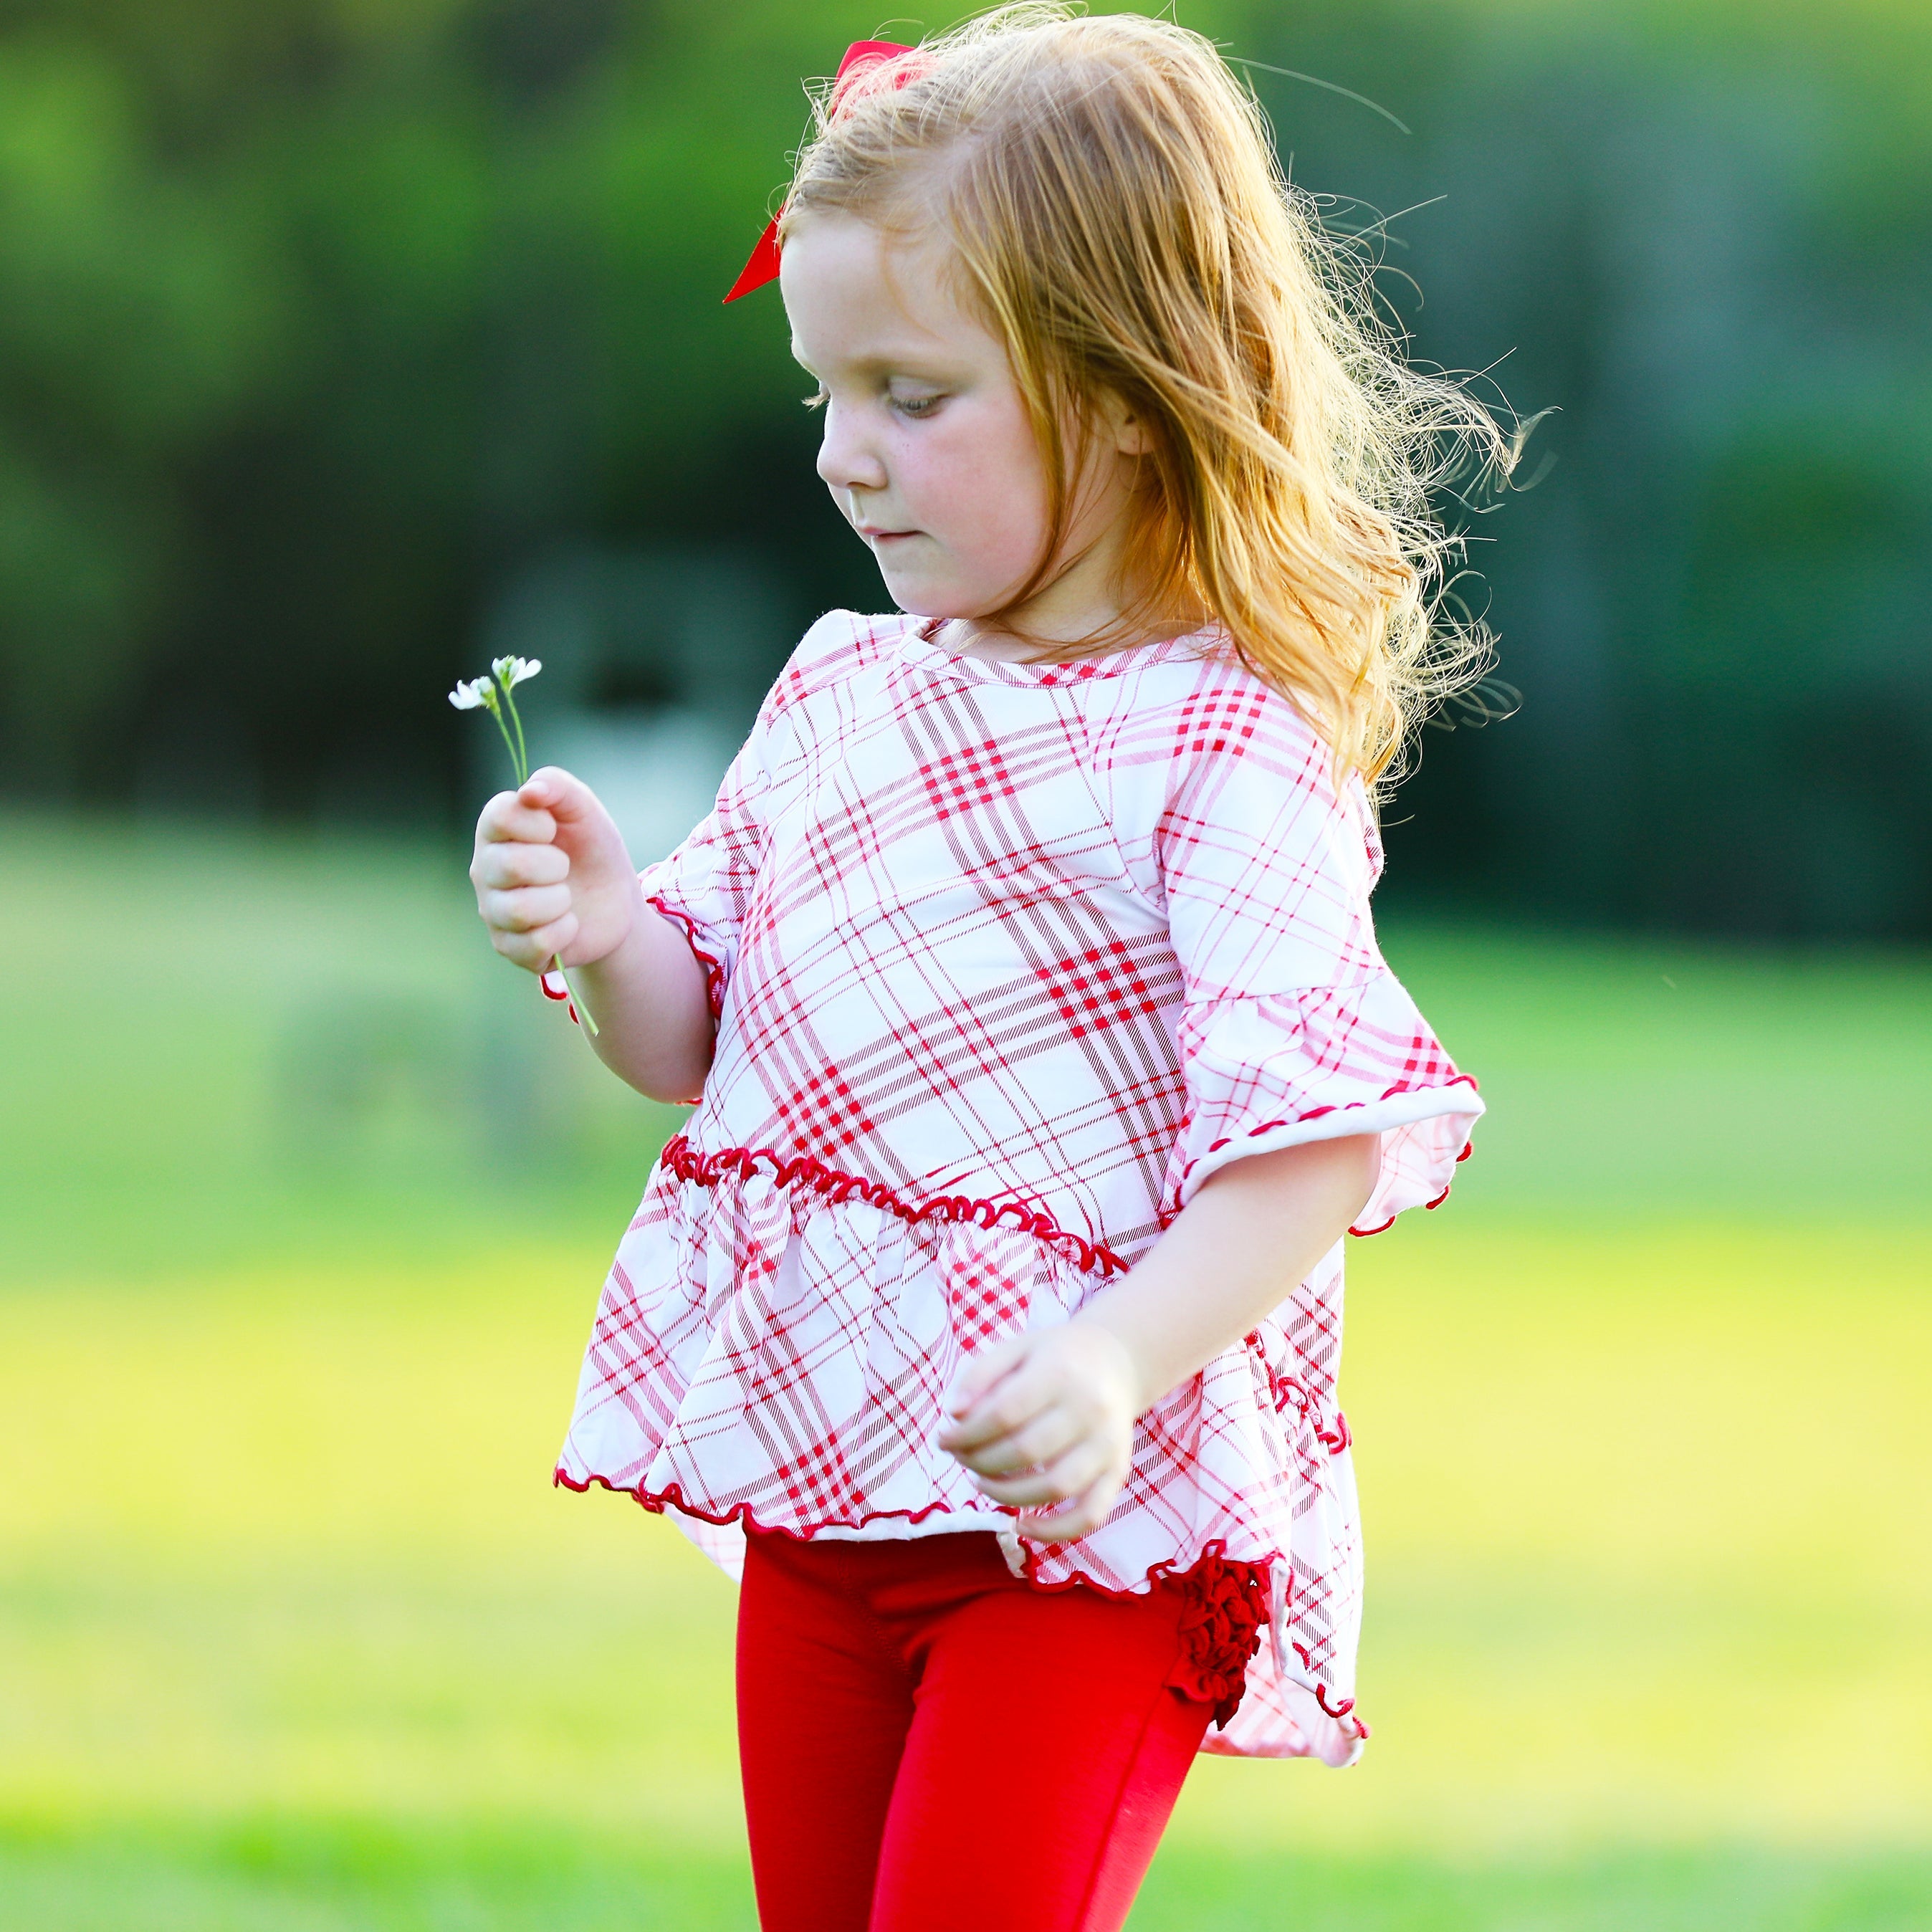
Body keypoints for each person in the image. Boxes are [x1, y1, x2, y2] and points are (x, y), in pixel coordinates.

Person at [468, 10, 1514, 1928]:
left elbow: (1311, 1141)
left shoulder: (1221, 742)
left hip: (1091, 1535)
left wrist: (1119, 1356)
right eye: (823, 395)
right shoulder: (844, 691)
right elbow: (702, 1046)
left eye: (912, 393)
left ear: (1129, 389)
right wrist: (615, 937)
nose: (846, 457)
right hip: (834, 1491)